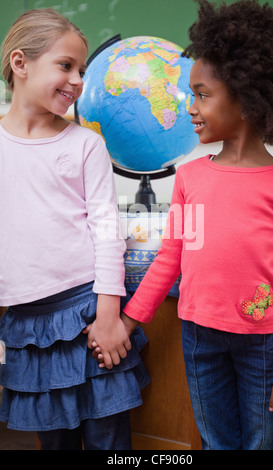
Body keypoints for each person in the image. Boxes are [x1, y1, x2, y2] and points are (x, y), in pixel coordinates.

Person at [95, 0, 273, 450]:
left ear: (247, 98)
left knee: (265, 443)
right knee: (214, 442)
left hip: (263, 342)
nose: (191, 106)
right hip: (198, 335)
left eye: (202, 94)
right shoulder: (190, 176)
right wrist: (126, 325)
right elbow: (170, 259)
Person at [0, 8, 149, 450]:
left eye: (81, 69)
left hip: (88, 315)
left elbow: (107, 232)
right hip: (28, 326)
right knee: (55, 441)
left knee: (109, 440)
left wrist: (108, 318)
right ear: (20, 63)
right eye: (66, 66)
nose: (79, 79)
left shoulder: (86, 144)